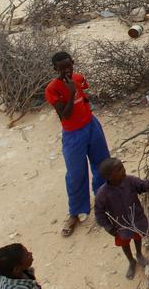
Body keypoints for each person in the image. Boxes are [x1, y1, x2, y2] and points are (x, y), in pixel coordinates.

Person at [44, 51, 111, 237]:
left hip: (91, 125)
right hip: (72, 134)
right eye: (61, 67)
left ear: (73, 62)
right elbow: (64, 115)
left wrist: (77, 90)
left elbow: (85, 95)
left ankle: (103, 201)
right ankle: (75, 211)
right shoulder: (53, 88)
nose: (66, 70)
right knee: (75, 173)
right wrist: (71, 91)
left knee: (102, 164)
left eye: (69, 65)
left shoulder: (79, 78)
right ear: (55, 69)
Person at [94, 157, 149, 279]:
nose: (124, 170)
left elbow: (141, 184)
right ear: (109, 176)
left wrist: (148, 185)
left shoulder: (130, 181)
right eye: (119, 169)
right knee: (124, 243)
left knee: (137, 237)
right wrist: (108, 227)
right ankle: (131, 261)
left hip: (136, 220)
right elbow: (99, 214)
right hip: (120, 227)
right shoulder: (102, 194)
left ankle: (139, 254)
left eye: (123, 166)